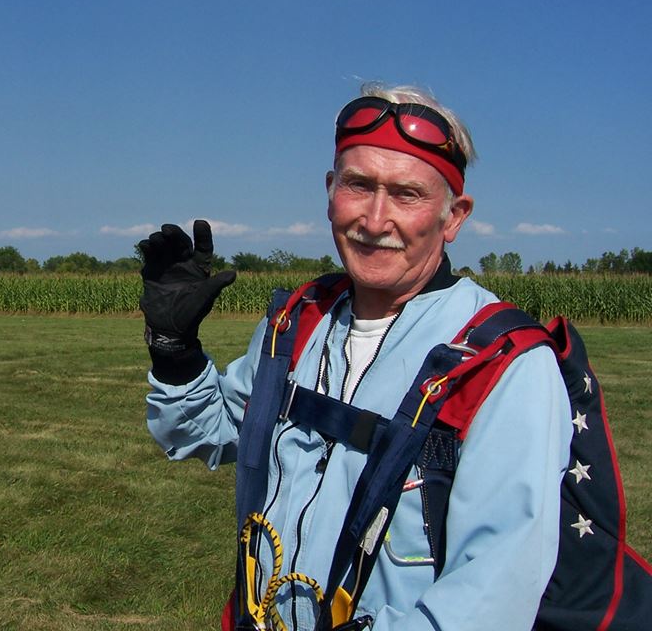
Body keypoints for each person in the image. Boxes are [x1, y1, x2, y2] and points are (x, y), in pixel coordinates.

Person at [138, 83, 573, 630]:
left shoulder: (502, 366)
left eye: (407, 194)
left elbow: (490, 597)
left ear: (454, 215)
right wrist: (174, 350)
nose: (374, 219)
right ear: (329, 191)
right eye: (358, 185)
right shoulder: (298, 322)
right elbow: (210, 432)